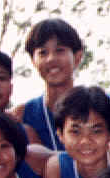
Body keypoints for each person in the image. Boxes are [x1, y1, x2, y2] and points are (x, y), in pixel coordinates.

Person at [11, 18, 84, 151]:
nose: (51, 59)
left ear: (77, 57)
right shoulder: (22, 115)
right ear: (33, 61)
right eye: (43, 52)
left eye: (60, 50)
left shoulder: (101, 105)